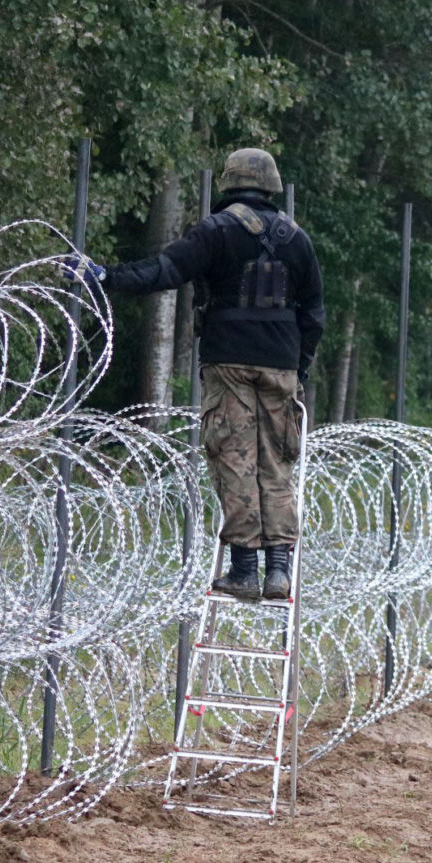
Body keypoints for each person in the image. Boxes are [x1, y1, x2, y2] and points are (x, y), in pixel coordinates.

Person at [70, 148, 325, 601]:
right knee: (277, 465)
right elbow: (314, 314)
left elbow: (164, 272)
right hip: (281, 365)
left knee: (236, 460)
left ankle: (245, 570)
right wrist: (297, 366)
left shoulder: (216, 231)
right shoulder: (298, 239)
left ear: (228, 185)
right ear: (272, 186)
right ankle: (279, 570)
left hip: (228, 361)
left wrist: (104, 277)